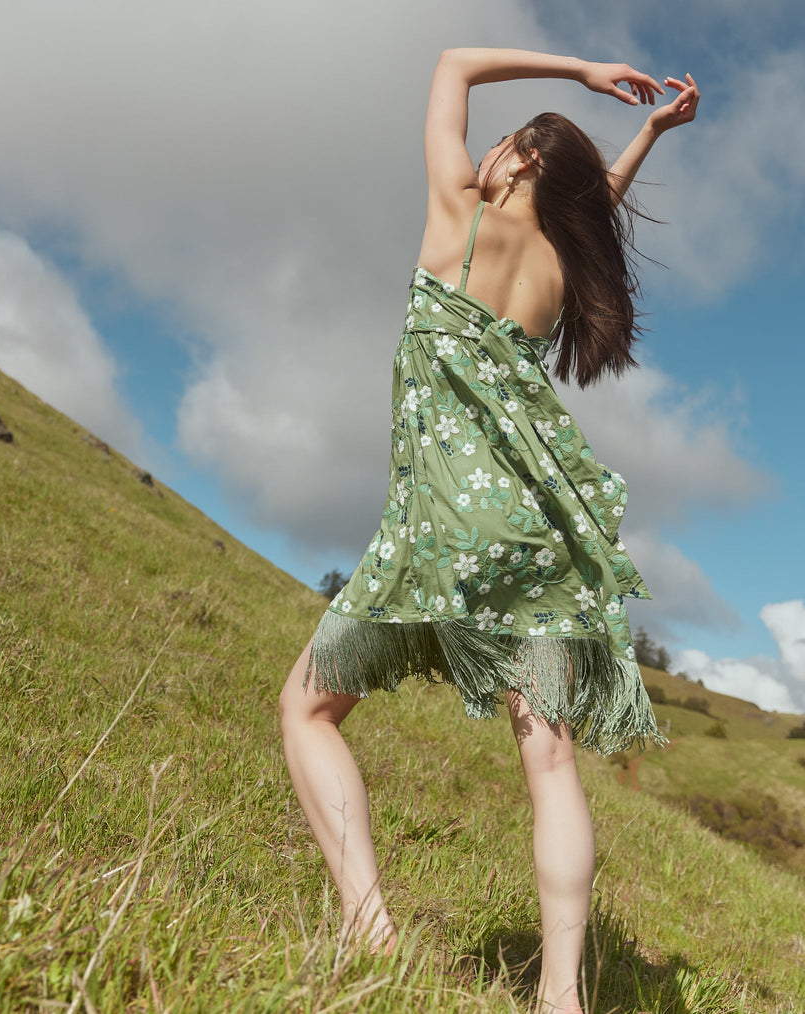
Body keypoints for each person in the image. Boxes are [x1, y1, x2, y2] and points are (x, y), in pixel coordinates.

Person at [280, 48, 699, 1014]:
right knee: (548, 758)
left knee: (307, 710)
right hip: (535, 533)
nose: (487, 152)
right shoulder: (555, 269)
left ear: (510, 167)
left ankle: (368, 927)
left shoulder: (455, 221)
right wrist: (641, 135)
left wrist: (585, 73)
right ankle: (561, 999)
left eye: (502, 145)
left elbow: (455, 62)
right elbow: (587, 208)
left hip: (437, 535)